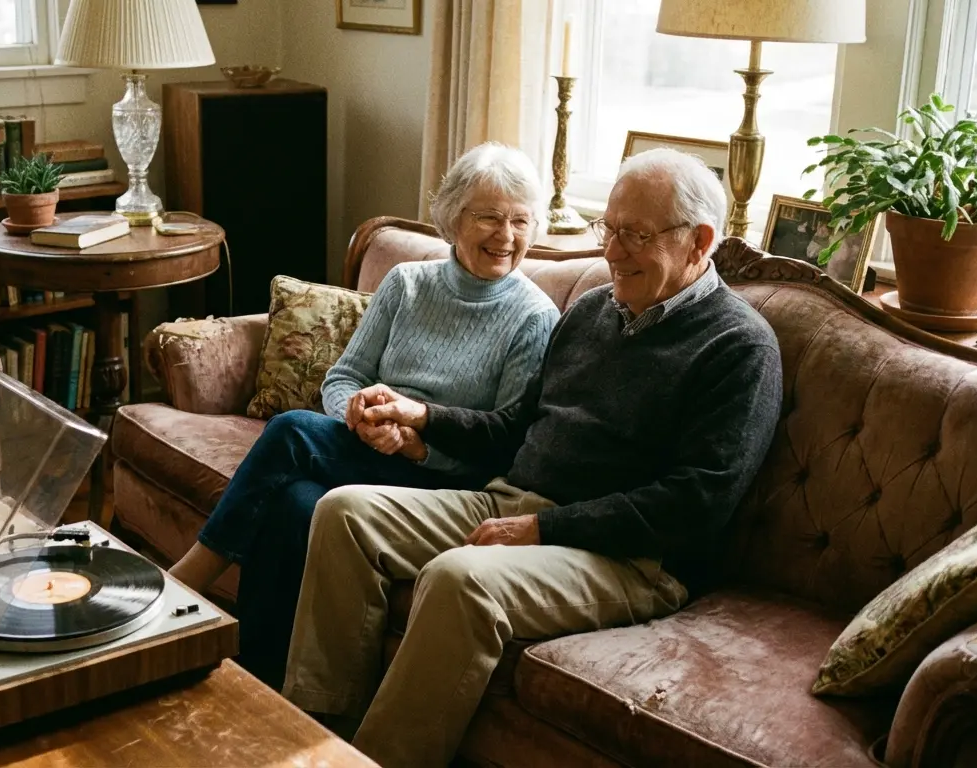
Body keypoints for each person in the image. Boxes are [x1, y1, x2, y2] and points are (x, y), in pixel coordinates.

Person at [280, 148, 785, 768]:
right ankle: (316, 730)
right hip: (515, 501)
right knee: (344, 513)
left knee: (460, 578)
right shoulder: (596, 310)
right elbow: (515, 428)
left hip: (630, 558)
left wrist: (543, 528)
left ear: (699, 241)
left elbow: (695, 504)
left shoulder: (738, 348)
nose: (612, 250)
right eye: (609, 228)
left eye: (635, 235)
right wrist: (423, 416)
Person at [167, 142, 562, 691]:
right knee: (295, 502)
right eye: (490, 217)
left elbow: (505, 444)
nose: (506, 235)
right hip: (365, 447)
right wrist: (355, 414)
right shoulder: (406, 284)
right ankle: (256, 681)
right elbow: (342, 379)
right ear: (453, 219)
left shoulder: (534, 318)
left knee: (289, 431)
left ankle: (185, 585)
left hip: (443, 476)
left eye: (521, 220)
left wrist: (416, 445)